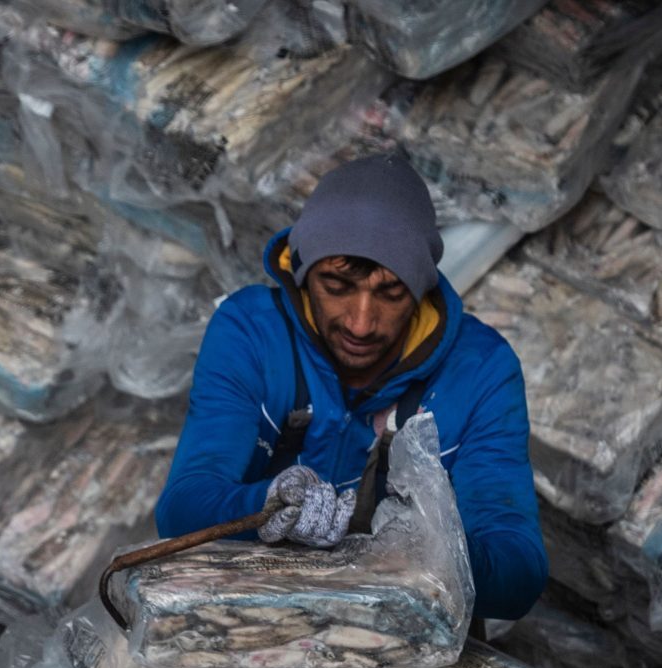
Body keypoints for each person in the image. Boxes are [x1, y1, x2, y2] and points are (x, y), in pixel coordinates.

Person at [154, 154, 549, 622]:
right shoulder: (251, 333)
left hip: (401, 630)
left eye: (390, 292)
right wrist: (266, 509)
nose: (361, 323)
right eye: (336, 285)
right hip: (250, 614)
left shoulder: (482, 369)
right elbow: (182, 506)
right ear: (301, 275)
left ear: (422, 288)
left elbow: (519, 571)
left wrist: (428, 553)